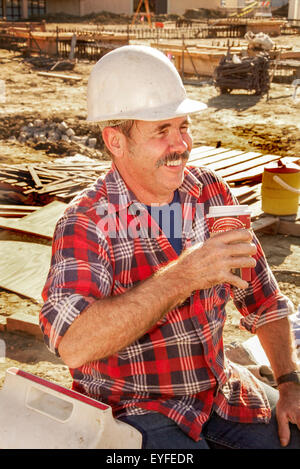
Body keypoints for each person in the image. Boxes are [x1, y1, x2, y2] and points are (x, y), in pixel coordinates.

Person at [40, 45, 300, 449]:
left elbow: (264, 300)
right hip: (134, 411)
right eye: (162, 132)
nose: (181, 144)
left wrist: (288, 382)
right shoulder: (87, 221)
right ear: (115, 141)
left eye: (183, 126)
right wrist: (183, 277)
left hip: (221, 395)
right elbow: (72, 345)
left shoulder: (209, 191)